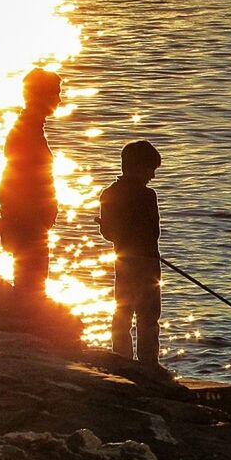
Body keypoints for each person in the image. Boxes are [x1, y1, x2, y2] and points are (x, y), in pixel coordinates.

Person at [98, 140, 165, 372]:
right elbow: (153, 233)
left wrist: (113, 228)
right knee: (148, 316)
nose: (152, 177)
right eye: (151, 170)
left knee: (122, 311)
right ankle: (149, 365)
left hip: (123, 263)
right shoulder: (148, 196)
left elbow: (108, 233)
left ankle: (122, 361)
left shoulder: (108, 194)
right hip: (147, 264)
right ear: (138, 167)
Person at [0, 67, 61, 300]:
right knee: (30, 283)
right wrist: (25, 217)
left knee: (33, 281)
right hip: (28, 221)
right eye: (55, 93)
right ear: (40, 96)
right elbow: (10, 179)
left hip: (33, 221)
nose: (59, 99)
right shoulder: (24, 132)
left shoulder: (30, 129)